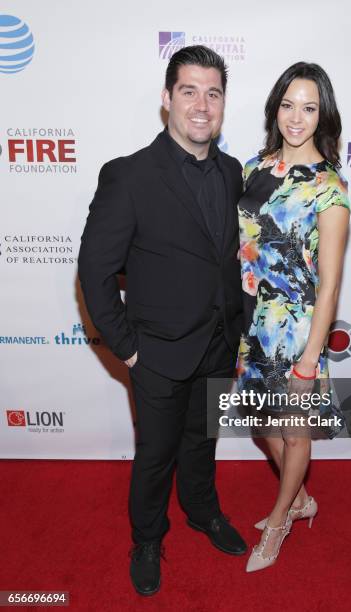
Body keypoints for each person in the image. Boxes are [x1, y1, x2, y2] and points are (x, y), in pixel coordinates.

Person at [78, 45, 247, 597]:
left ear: (223, 104)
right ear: (167, 99)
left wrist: (239, 330)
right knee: (155, 455)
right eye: (189, 91)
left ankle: (202, 510)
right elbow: (95, 271)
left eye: (213, 93)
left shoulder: (232, 170)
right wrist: (127, 349)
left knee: (203, 442)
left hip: (219, 344)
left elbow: (227, 260)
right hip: (156, 352)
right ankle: (148, 535)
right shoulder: (128, 176)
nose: (202, 104)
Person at [236, 62, 350, 572]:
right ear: (274, 108)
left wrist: (309, 359)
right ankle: (301, 498)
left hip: (298, 328)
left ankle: (282, 519)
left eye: (308, 107)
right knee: (261, 425)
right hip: (252, 323)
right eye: (287, 105)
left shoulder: (330, 189)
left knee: (294, 433)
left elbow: (329, 285)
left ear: (322, 114)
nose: (296, 117)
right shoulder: (252, 169)